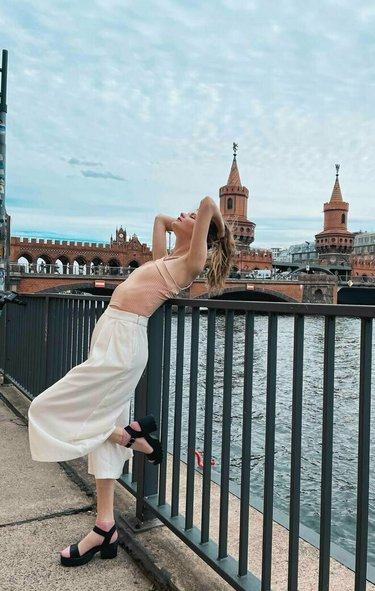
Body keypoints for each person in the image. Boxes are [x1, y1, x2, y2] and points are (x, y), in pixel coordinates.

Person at [28, 196, 235, 567]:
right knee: (102, 440)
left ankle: (130, 438)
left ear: (203, 234)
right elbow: (160, 219)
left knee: (43, 408)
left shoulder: (191, 263)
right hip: (110, 335)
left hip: (124, 345)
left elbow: (208, 203)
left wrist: (217, 230)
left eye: (190, 215)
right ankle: (105, 527)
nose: (183, 213)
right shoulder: (165, 259)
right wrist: (185, 224)